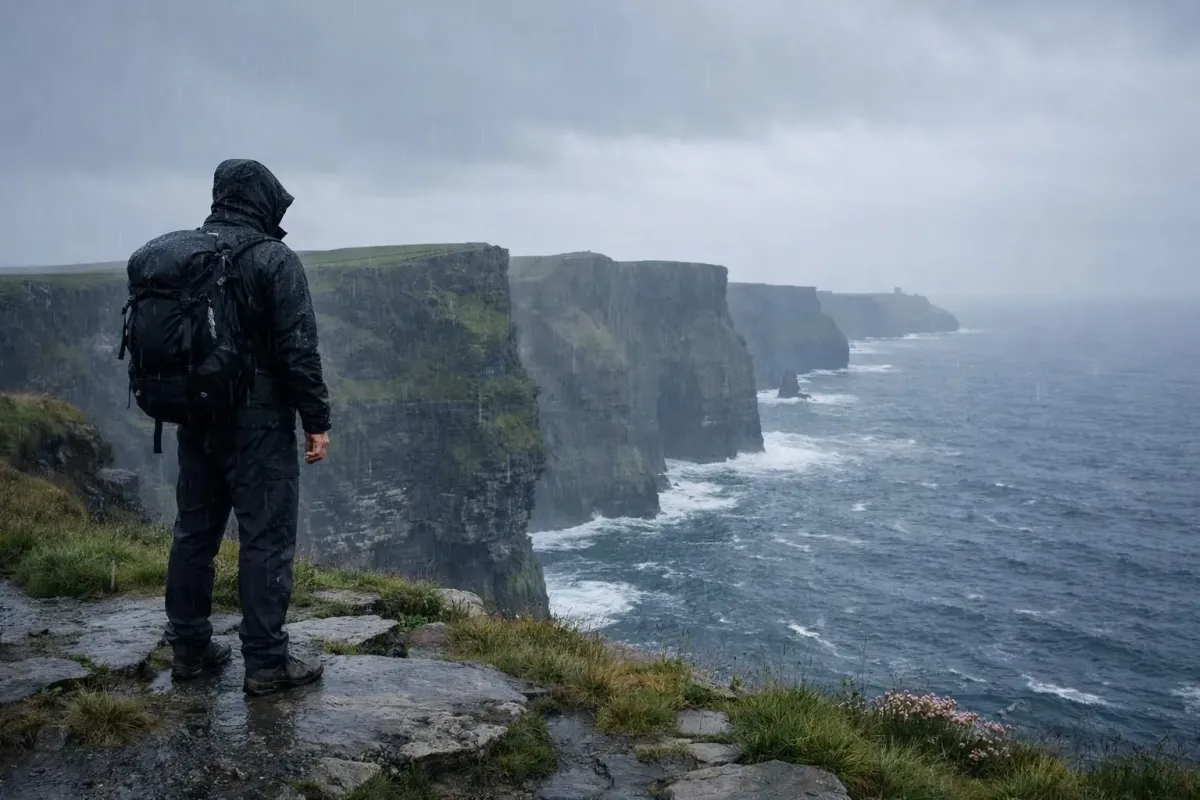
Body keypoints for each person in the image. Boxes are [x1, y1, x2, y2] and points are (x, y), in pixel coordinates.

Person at [160, 159, 332, 696]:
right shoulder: (273, 260)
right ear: (261, 200)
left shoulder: (183, 255)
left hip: (195, 418)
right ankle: (264, 664)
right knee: (265, 539)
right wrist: (316, 421)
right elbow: (298, 350)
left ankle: (188, 651)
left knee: (194, 535)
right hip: (257, 425)